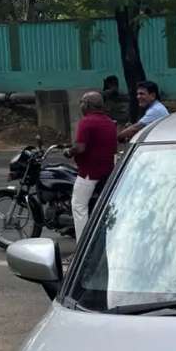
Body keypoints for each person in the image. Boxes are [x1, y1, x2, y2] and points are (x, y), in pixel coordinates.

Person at [66, 90, 118, 241]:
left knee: (78, 206)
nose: (80, 105)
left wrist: (69, 151)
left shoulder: (86, 122)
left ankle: (82, 245)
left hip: (89, 172)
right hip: (107, 171)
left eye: (82, 102)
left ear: (87, 105)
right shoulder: (109, 122)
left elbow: (80, 147)